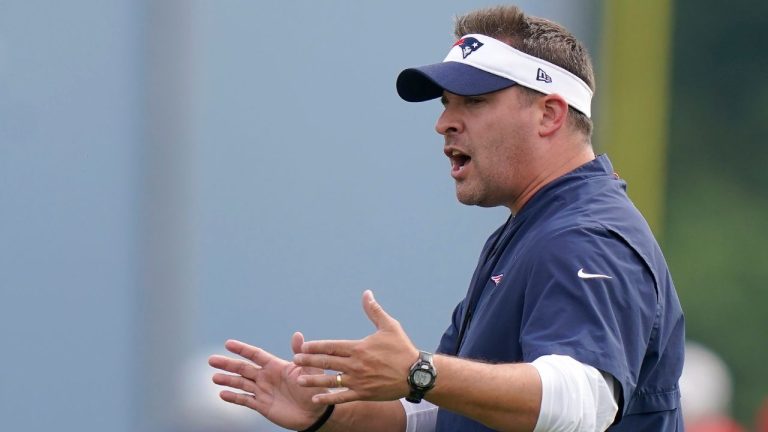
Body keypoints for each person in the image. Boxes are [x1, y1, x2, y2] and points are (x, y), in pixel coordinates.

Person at [208, 5, 685, 431]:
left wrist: (420, 371)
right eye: (446, 104)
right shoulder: (528, 232)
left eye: (474, 101)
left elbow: (584, 405)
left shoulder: (584, 236)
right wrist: (333, 412)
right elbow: (452, 410)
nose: (445, 123)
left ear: (549, 115)